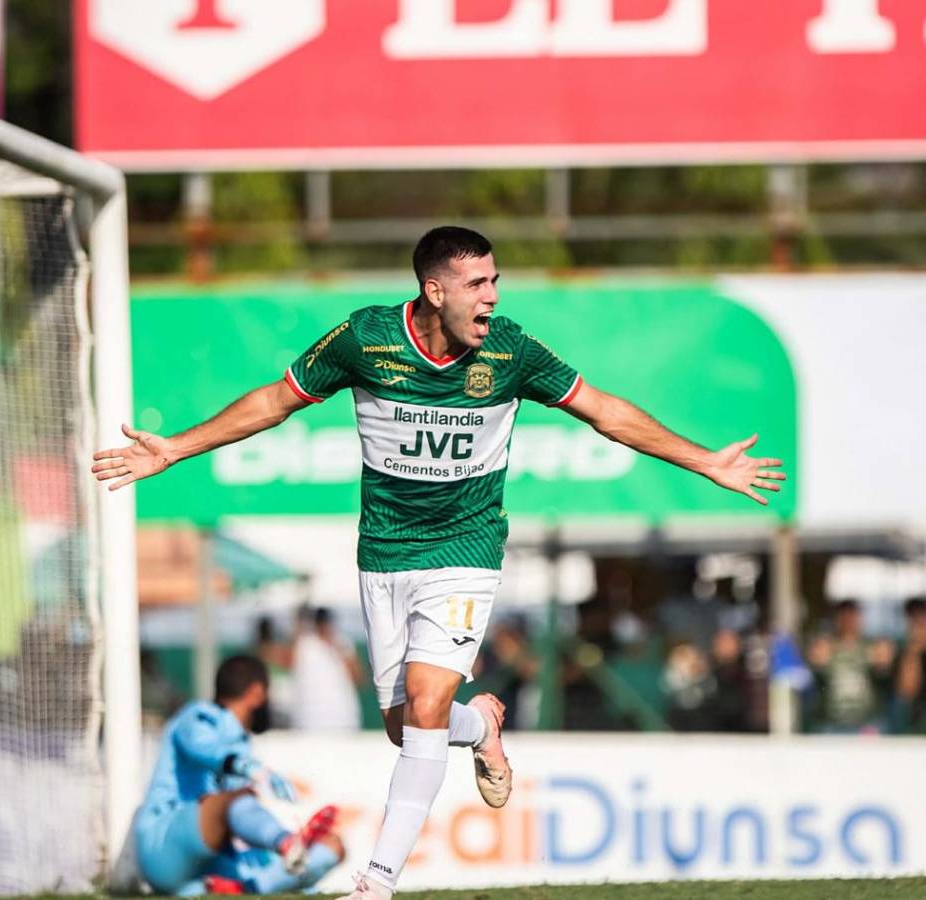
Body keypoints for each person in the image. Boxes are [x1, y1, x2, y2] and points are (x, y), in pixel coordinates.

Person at [94, 226, 786, 900]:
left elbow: (604, 410)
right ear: (434, 290)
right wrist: (175, 448)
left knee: (425, 703)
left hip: (467, 551)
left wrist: (704, 461)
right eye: (477, 283)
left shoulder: (510, 351)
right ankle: (481, 724)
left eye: (496, 281)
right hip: (384, 555)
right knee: (407, 724)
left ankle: (377, 882)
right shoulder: (366, 338)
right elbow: (276, 401)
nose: (491, 296)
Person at [131, 655, 344, 896]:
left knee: (332, 846)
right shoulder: (198, 716)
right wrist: (249, 768)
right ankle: (286, 847)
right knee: (234, 800)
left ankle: (247, 886)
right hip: (163, 847)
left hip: (211, 859)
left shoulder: (242, 742)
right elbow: (205, 749)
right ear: (257, 693)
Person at [807, 599, 895, 733]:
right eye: (843, 616)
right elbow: (815, 677)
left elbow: (884, 677)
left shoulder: (871, 646)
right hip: (831, 724)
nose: (848, 621)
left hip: (867, 723)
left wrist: (883, 662)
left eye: (852, 616)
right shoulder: (826, 647)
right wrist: (817, 661)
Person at [291, 607, 363, 731]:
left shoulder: (343, 643)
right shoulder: (305, 643)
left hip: (343, 719)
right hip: (310, 720)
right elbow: (286, 659)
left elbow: (359, 678)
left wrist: (336, 647)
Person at [892, 597, 926, 734]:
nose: (918, 622)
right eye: (913, 616)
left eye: (922, 615)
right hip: (915, 720)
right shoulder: (903, 647)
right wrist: (914, 651)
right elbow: (907, 690)